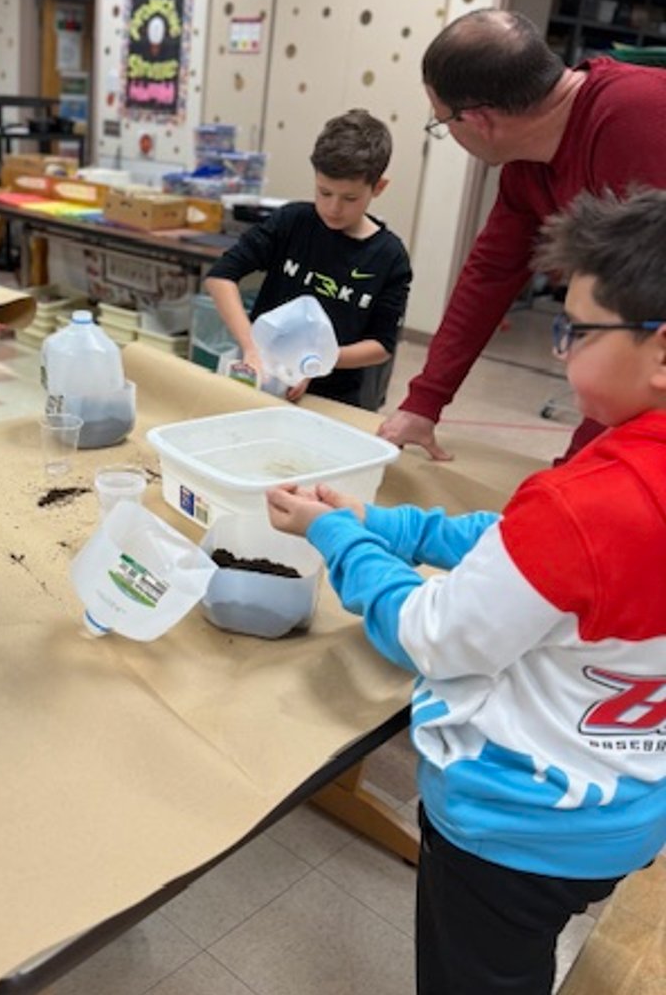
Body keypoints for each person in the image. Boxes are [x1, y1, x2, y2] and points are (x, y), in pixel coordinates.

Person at [266, 188, 666, 995]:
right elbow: (529, 549)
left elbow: (431, 631)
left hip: (515, 826)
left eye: (578, 332)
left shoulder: (582, 508)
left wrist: (335, 536)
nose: (562, 352)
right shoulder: (620, 483)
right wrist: (401, 527)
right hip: (626, 806)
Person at [381, 8, 666, 461]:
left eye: (442, 122)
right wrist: (424, 402)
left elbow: (635, 322)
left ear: (477, 121)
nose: (447, 132)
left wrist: (580, 463)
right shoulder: (528, 166)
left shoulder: (635, 116)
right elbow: (489, 274)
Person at [203, 108, 412, 409]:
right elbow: (221, 276)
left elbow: (381, 345)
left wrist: (314, 363)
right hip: (265, 381)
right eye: (324, 192)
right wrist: (251, 347)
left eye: (349, 198)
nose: (333, 208)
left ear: (378, 187)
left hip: (334, 398)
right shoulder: (292, 223)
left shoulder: (389, 256)